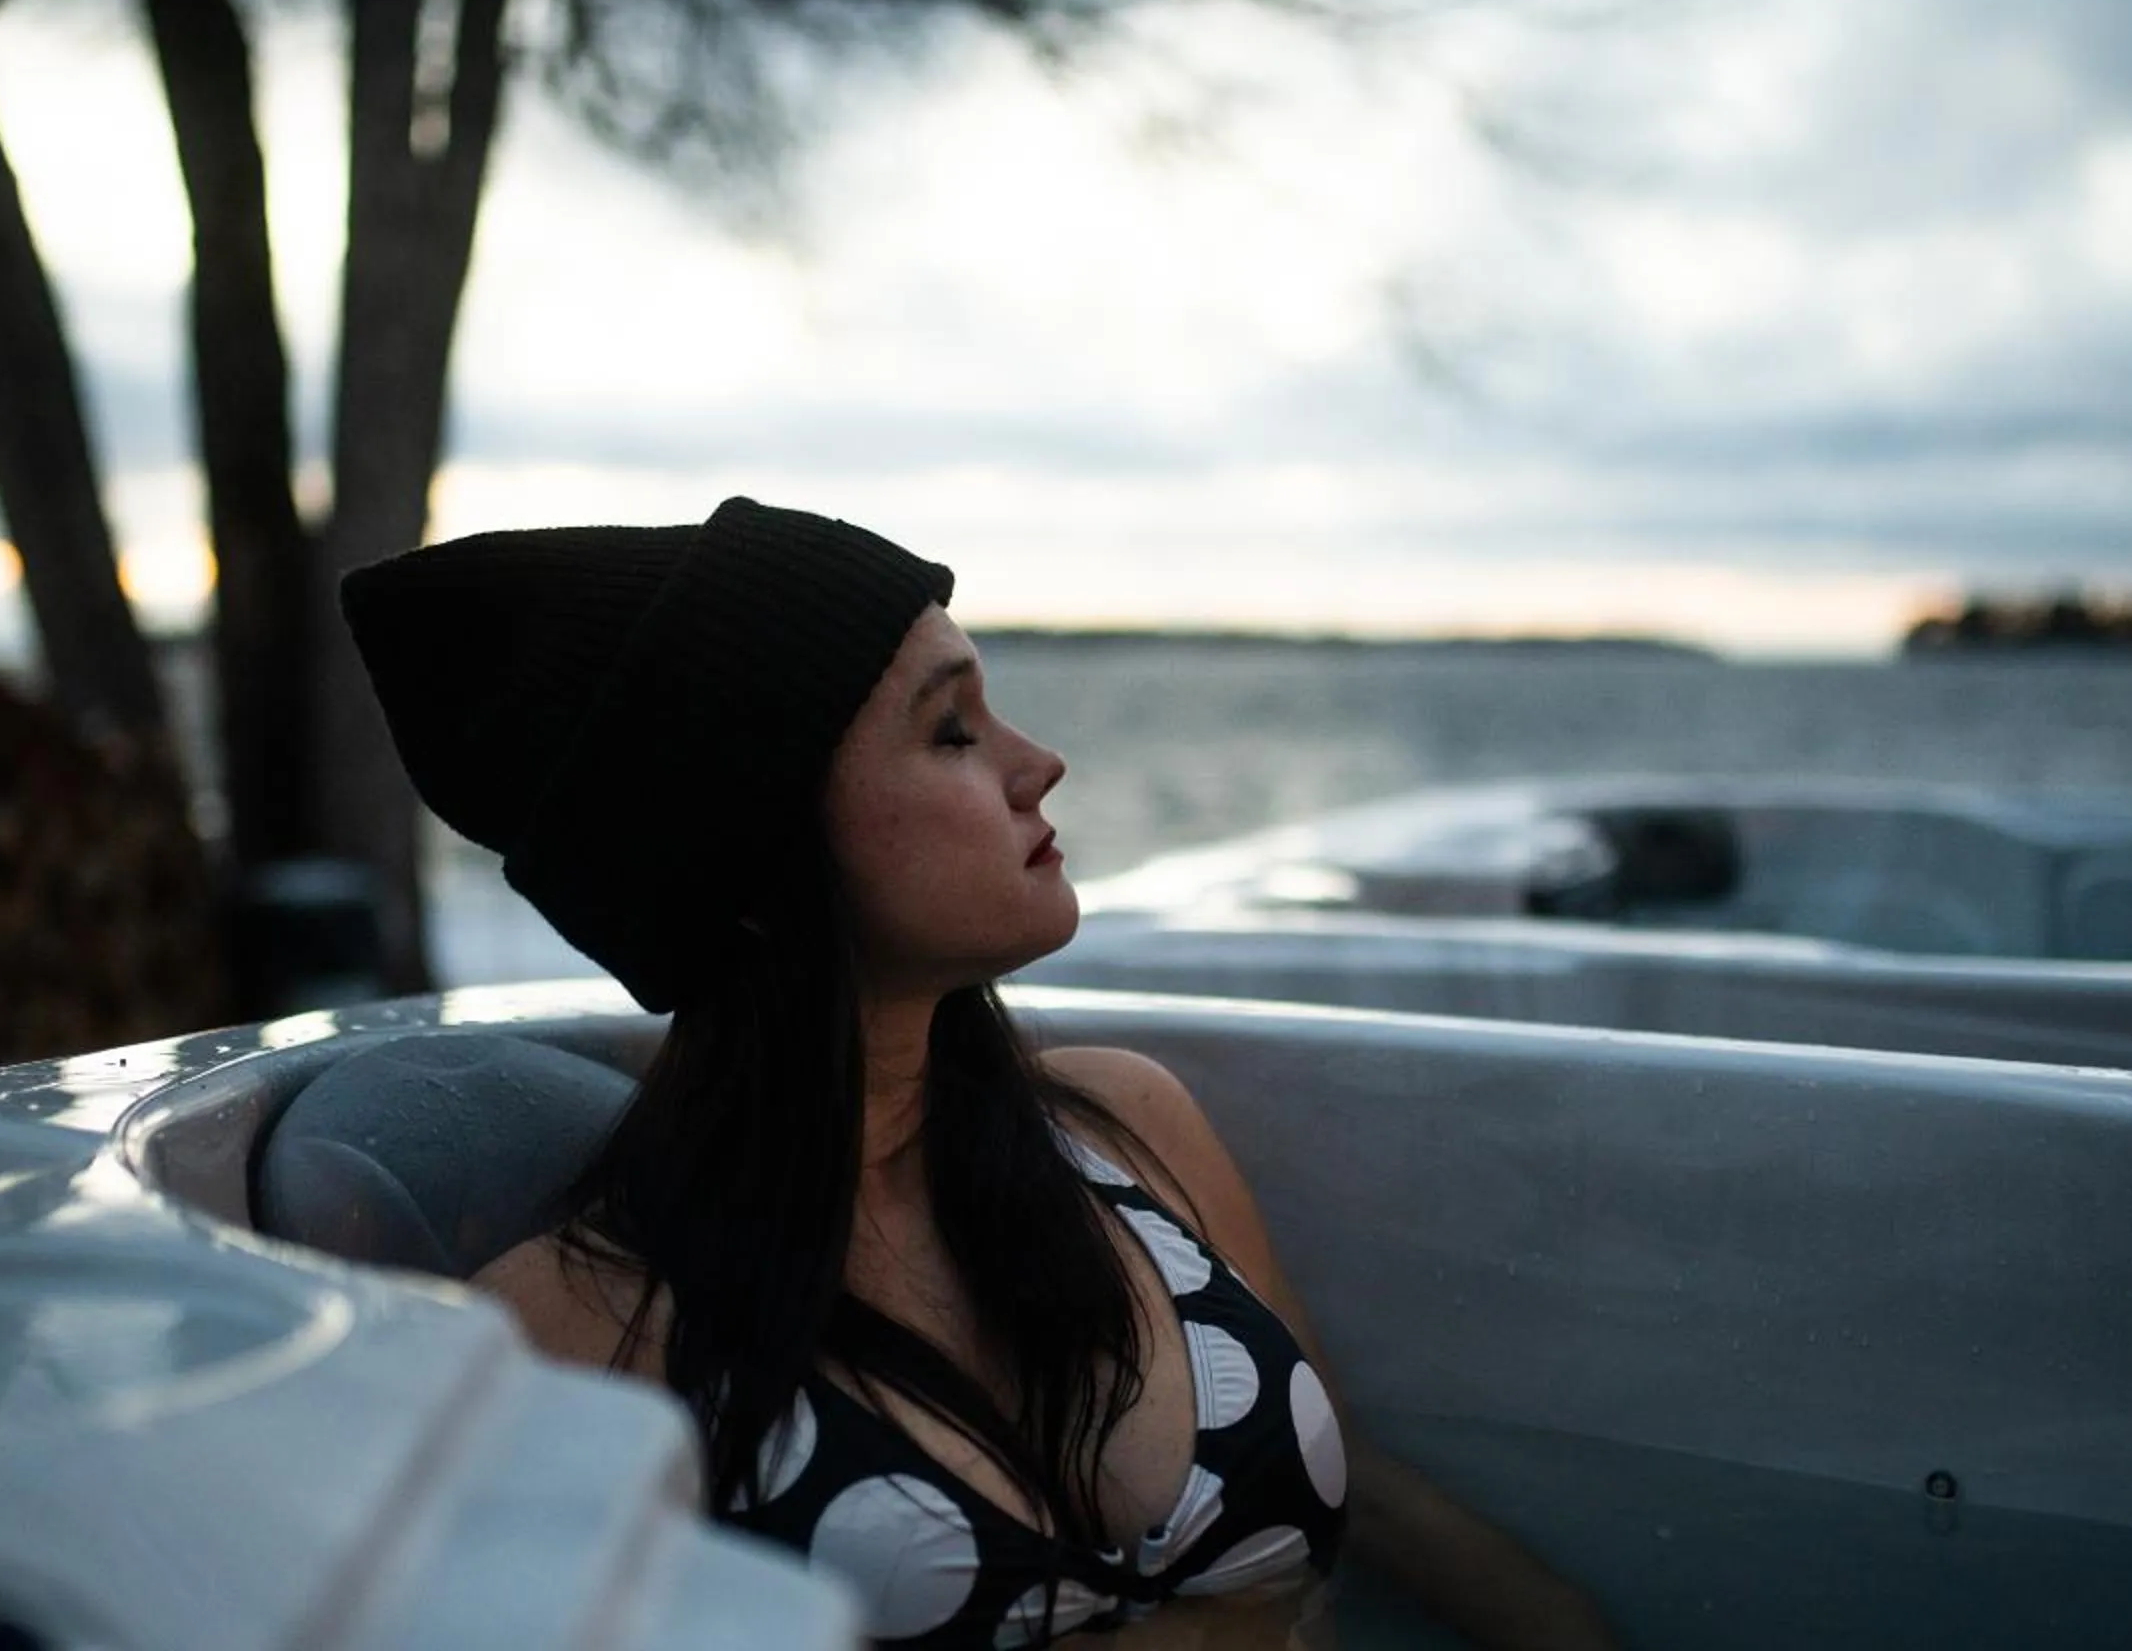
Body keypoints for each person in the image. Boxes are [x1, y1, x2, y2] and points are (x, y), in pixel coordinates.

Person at [340, 497, 1617, 1650]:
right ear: (753, 851)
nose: (1036, 762)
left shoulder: (1128, 1131)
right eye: (951, 729)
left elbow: (1367, 1492)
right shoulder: (574, 1337)